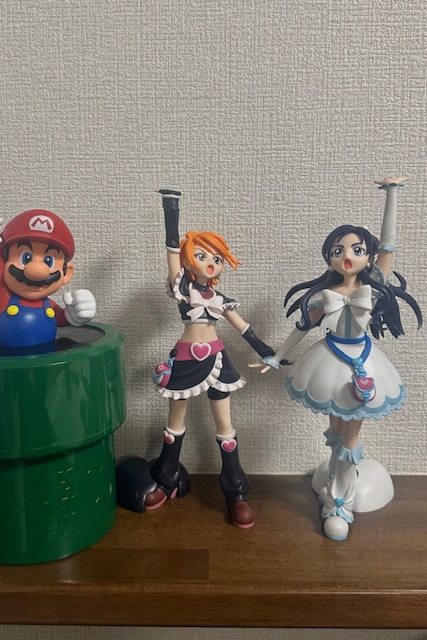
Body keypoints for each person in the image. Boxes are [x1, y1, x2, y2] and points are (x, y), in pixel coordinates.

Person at [252, 177, 422, 541]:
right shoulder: (324, 294)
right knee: (335, 431)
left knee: (351, 436)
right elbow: (302, 326)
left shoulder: (372, 286)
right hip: (329, 360)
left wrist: (392, 194)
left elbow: (388, 245)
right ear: (328, 256)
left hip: (363, 359)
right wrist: (277, 356)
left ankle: (340, 503)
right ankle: (334, 476)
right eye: (337, 250)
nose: (347, 255)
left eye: (357, 249)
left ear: (367, 256)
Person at [146, 189, 275, 529]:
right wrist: (171, 208)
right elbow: (171, 252)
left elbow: (243, 327)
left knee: (225, 429)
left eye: (216, 258)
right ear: (189, 260)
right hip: (186, 360)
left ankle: (236, 494)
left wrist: (265, 349)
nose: (210, 262)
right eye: (202, 255)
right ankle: (167, 480)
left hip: (217, 360)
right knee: (174, 426)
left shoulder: (220, 299)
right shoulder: (182, 289)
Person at [0, 207, 96, 348]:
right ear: (4, 263)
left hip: (47, 357)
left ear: (66, 273)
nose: (37, 271)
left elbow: (62, 318)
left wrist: (75, 314)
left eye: (48, 261)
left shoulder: (50, 306)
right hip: (4, 359)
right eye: (26, 258)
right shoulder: (5, 297)